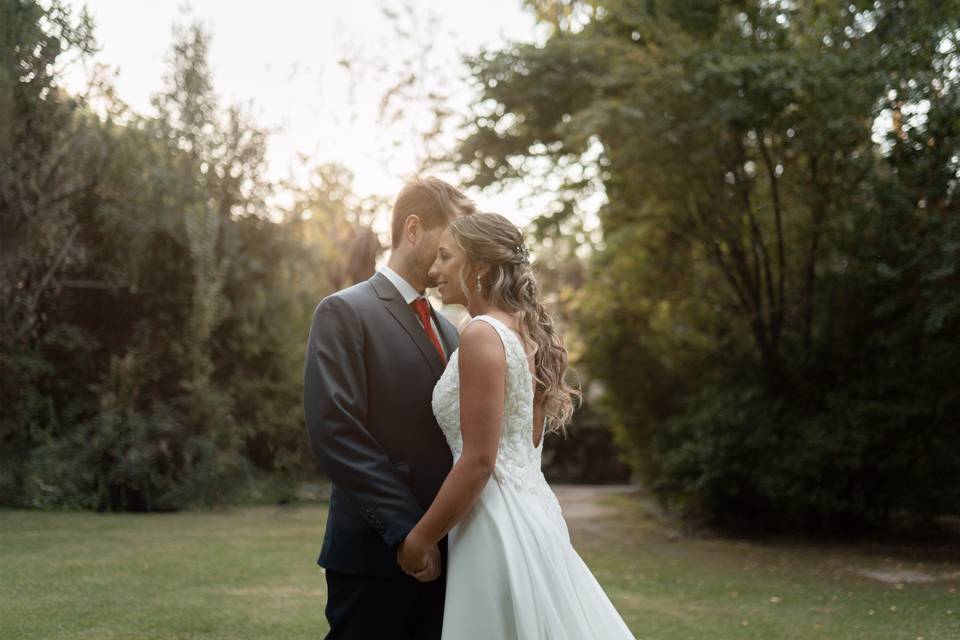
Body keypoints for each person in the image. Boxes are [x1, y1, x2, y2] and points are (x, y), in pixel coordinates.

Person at [397, 212, 636, 639]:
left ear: (481, 266)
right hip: (534, 514)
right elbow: (519, 448)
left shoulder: (481, 334)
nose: (435, 271)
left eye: (446, 257)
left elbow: (480, 461)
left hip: (493, 524)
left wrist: (419, 539)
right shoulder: (524, 331)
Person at [302, 176, 477, 639]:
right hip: (374, 555)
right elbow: (335, 431)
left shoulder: (454, 330)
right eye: (452, 237)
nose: (460, 251)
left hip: (452, 552)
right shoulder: (344, 312)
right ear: (414, 228)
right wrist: (407, 533)